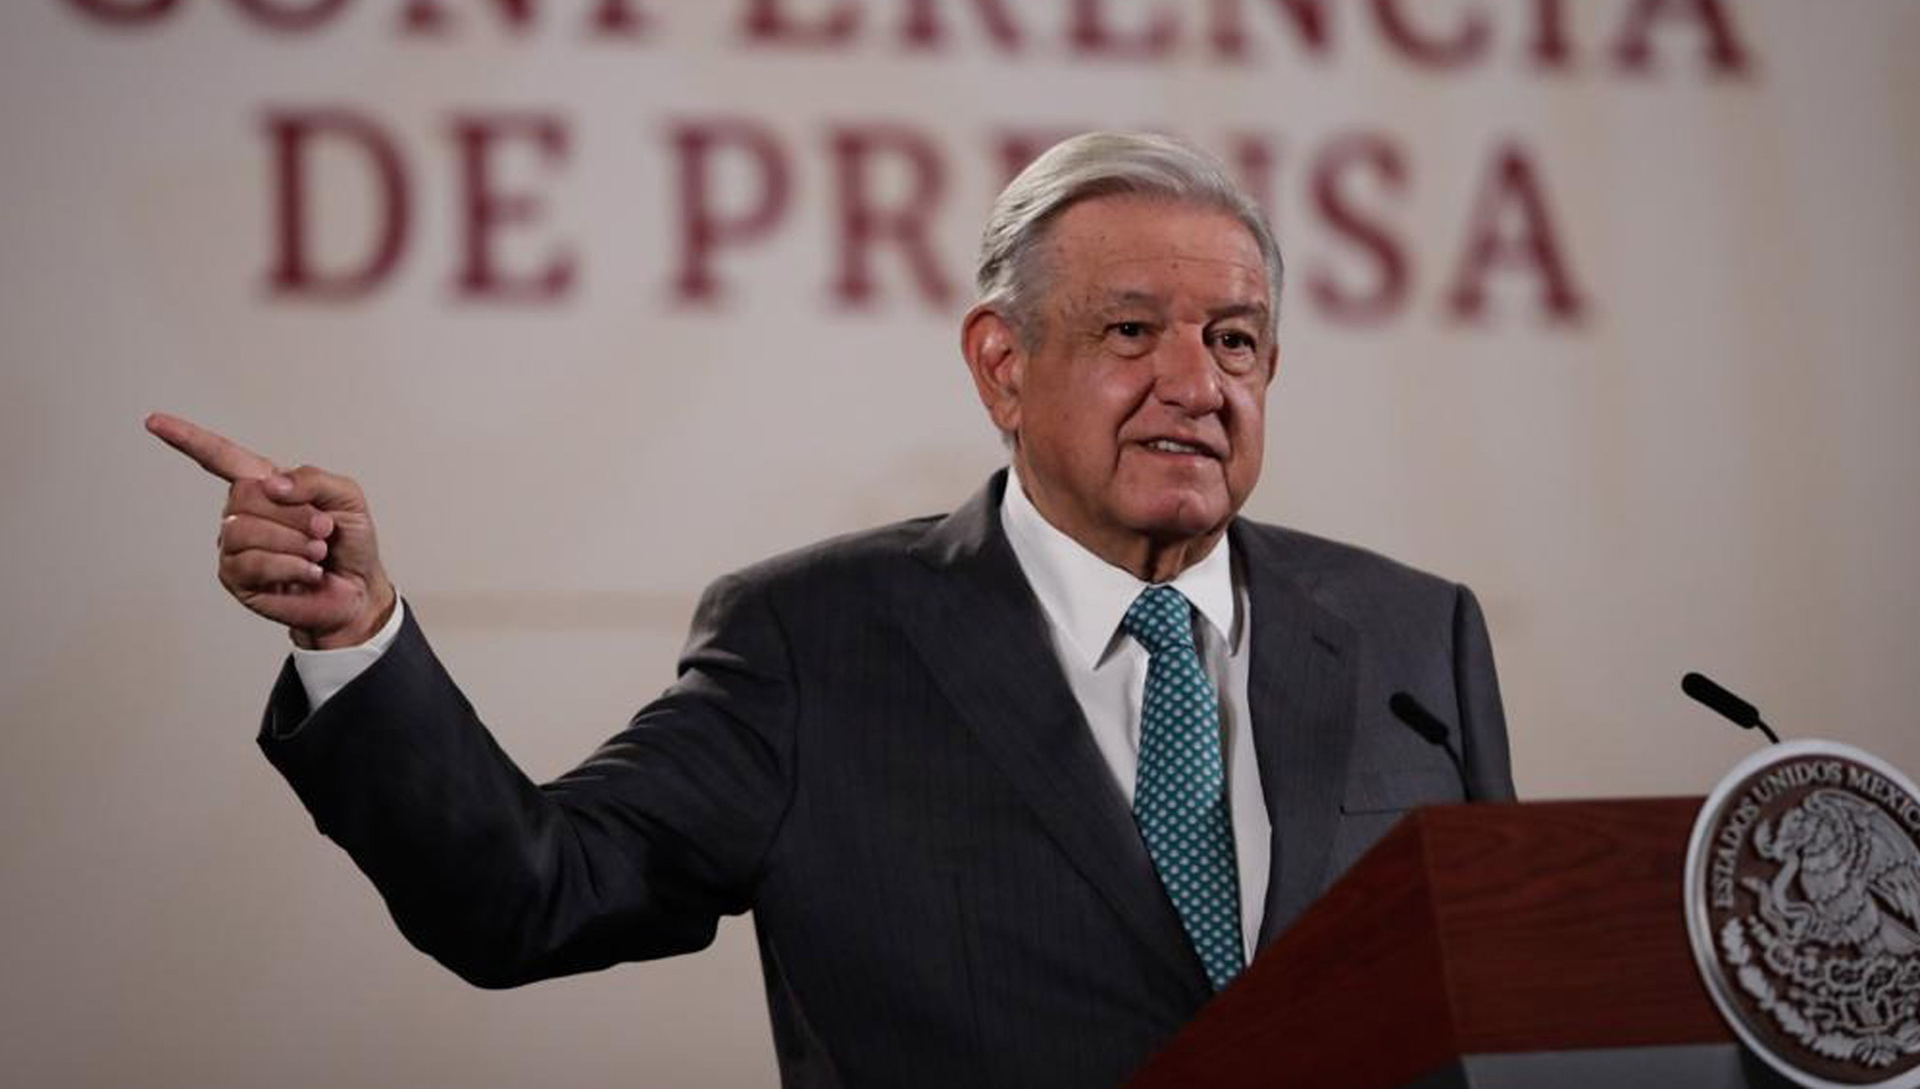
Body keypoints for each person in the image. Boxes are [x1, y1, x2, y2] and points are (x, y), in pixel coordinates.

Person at [149, 132, 1513, 1089]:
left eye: (1234, 340)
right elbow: (529, 894)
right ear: (1002, 364)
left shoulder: (1413, 636)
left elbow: (1510, 1016)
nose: (1197, 384)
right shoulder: (816, 642)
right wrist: (356, 638)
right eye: (1129, 331)